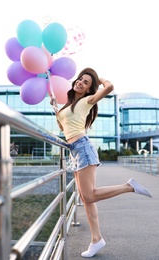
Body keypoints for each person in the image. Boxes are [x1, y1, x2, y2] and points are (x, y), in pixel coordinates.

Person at [50, 67, 152, 258]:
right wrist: (56, 108)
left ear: (90, 90)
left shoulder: (87, 100)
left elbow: (110, 86)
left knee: (89, 196)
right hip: (75, 151)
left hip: (83, 149)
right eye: (80, 79)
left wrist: (100, 79)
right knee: (86, 199)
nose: (80, 82)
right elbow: (65, 127)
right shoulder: (70, 104)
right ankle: (96, 240)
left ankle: (129, 186)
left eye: (86, 82)